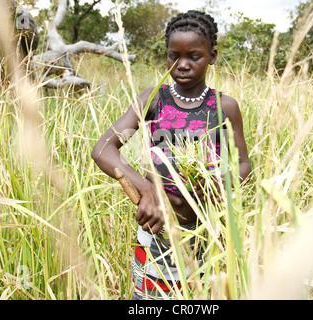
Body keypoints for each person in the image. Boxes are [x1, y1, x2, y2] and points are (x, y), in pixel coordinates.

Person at [91, 10, 251, 300]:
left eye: (194, 56)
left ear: (212, 56)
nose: (183, 65)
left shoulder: (224, 107)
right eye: (174, 56)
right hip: (157, 232)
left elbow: (242, 164)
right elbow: (104, 149)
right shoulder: (152, 101)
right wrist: (147, 189)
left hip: (207, 234)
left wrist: (222, 182)